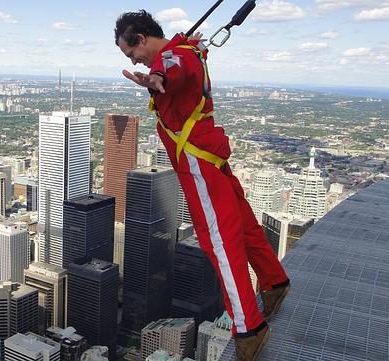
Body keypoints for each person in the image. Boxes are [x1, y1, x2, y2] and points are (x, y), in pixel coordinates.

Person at [114, 10, 290, 361]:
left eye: (131, 52)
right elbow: (174, 71)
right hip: (210, 160)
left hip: (199, 167)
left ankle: (249, 329)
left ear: (141, 39)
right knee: (245, 228)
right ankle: (274, 283)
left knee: (221, 245)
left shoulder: (173, 59)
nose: (134, 60)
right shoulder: (183, 51)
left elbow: (173, 72)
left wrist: (157, 77)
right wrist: (158, 76)